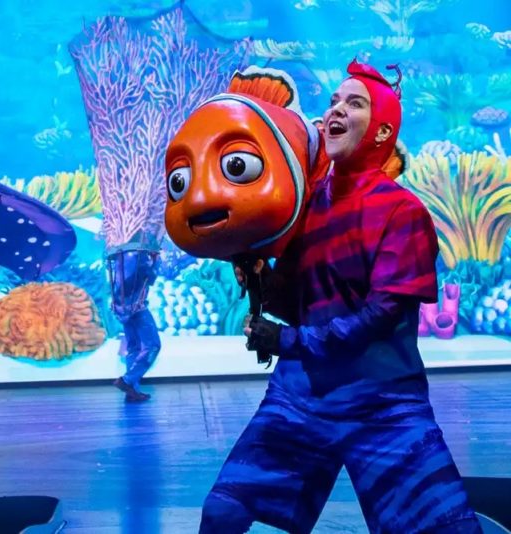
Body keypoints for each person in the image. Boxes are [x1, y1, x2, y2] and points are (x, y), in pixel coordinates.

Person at [200, 60, 480, 533]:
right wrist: (258, 275)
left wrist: (285, 341)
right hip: (302, 396)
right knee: (223, 511)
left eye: (354, 103)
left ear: (382, 131)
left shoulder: (402, 212)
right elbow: (294, 301)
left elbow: (380, 316)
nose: (335, 109)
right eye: (333, 101)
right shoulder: (308, 204)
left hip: (383, 403)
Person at [107, 249, 160, 402]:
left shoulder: (121, 255)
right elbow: (150, 278)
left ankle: (132, 391)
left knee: (134, 347)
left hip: (122, 307)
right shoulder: (140, 256)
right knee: (153, 345)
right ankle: (127, 380)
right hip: (137, 308)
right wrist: (155, 262)